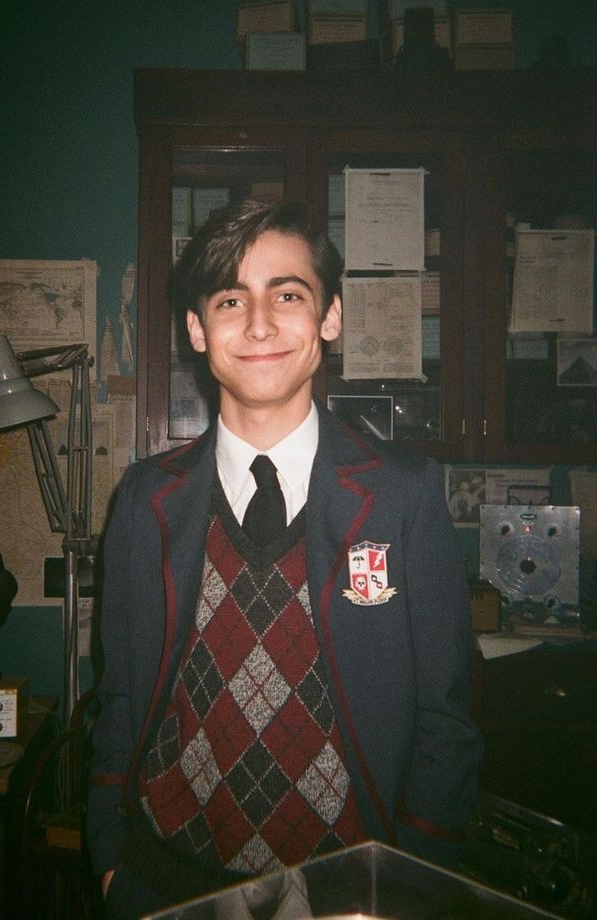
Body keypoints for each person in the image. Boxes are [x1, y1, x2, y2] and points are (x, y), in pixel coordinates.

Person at [87, 198, 483, 918]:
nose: (261, 323)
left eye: (288, 294)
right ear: (197, 330)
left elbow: (447, 717)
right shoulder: (145, 500)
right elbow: (120, 696)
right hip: (165, 881)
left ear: (329, 317)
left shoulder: (404, 496)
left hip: (350, 893)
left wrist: (415, 878)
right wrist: (111, 858)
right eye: (230, 300)